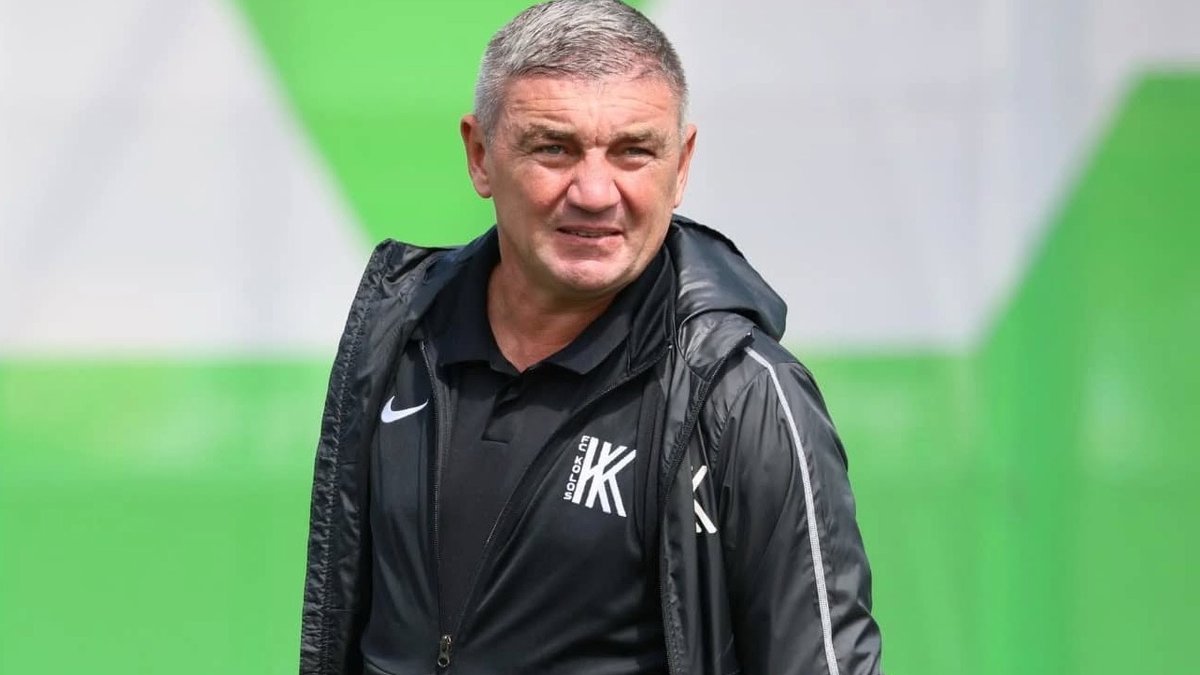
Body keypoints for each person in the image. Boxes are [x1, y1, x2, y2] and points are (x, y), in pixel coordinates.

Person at [298, 1, 884, 673]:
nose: (596, 192)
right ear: (480, 155)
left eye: (634, 151)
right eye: (555, 148)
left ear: (682, 165)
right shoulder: (399, 336)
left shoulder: (745, 395)